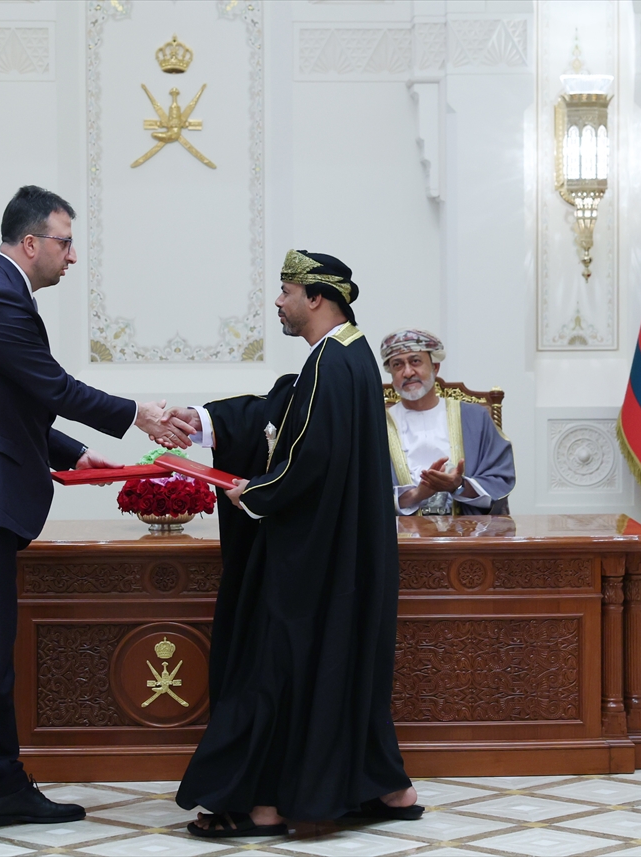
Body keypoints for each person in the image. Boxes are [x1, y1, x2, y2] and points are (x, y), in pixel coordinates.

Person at [0, 186, 189, 846]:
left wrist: (74, 453)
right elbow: (52, 386)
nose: (72, 256)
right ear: (31, 243)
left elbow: (11, 400)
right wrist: (137, 414)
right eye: (65, 242)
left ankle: (1, 786)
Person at [162, 250, 421, 838]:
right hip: (341, 551)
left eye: (286, 291)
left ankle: (266, 804)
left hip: (313, 559)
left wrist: (254, 492)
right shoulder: (349, 354)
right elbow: (286, 413)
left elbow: (310, 457)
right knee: (336, 669)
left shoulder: (331, 361)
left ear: (316, 297)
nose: (278, 302)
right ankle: (384, 787)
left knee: (277, 669)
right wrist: (207, 422)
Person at [380, 329, 514, 515]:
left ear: (435, 367)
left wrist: (458, 485)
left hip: (466, 529)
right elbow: (364, 492)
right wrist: (417, 495)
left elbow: (499, 479)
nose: (408, 372)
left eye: (415, 361)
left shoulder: (475, 418)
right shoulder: (376, 426)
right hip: (401, 531)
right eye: (397, 365)